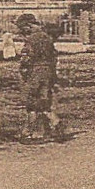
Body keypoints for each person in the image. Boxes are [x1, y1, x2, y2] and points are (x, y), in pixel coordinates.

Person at [16, 14, 66, 142]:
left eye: (23, 28)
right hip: (48, 71)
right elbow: (54, 57)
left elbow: (26, 58)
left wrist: (23, 70)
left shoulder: (31, 40)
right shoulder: (47, 38)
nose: (22, 31)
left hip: (35, 72)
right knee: (45, 102)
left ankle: (29, 133)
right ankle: (55, 123)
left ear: (28, 26)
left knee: (32, 103)